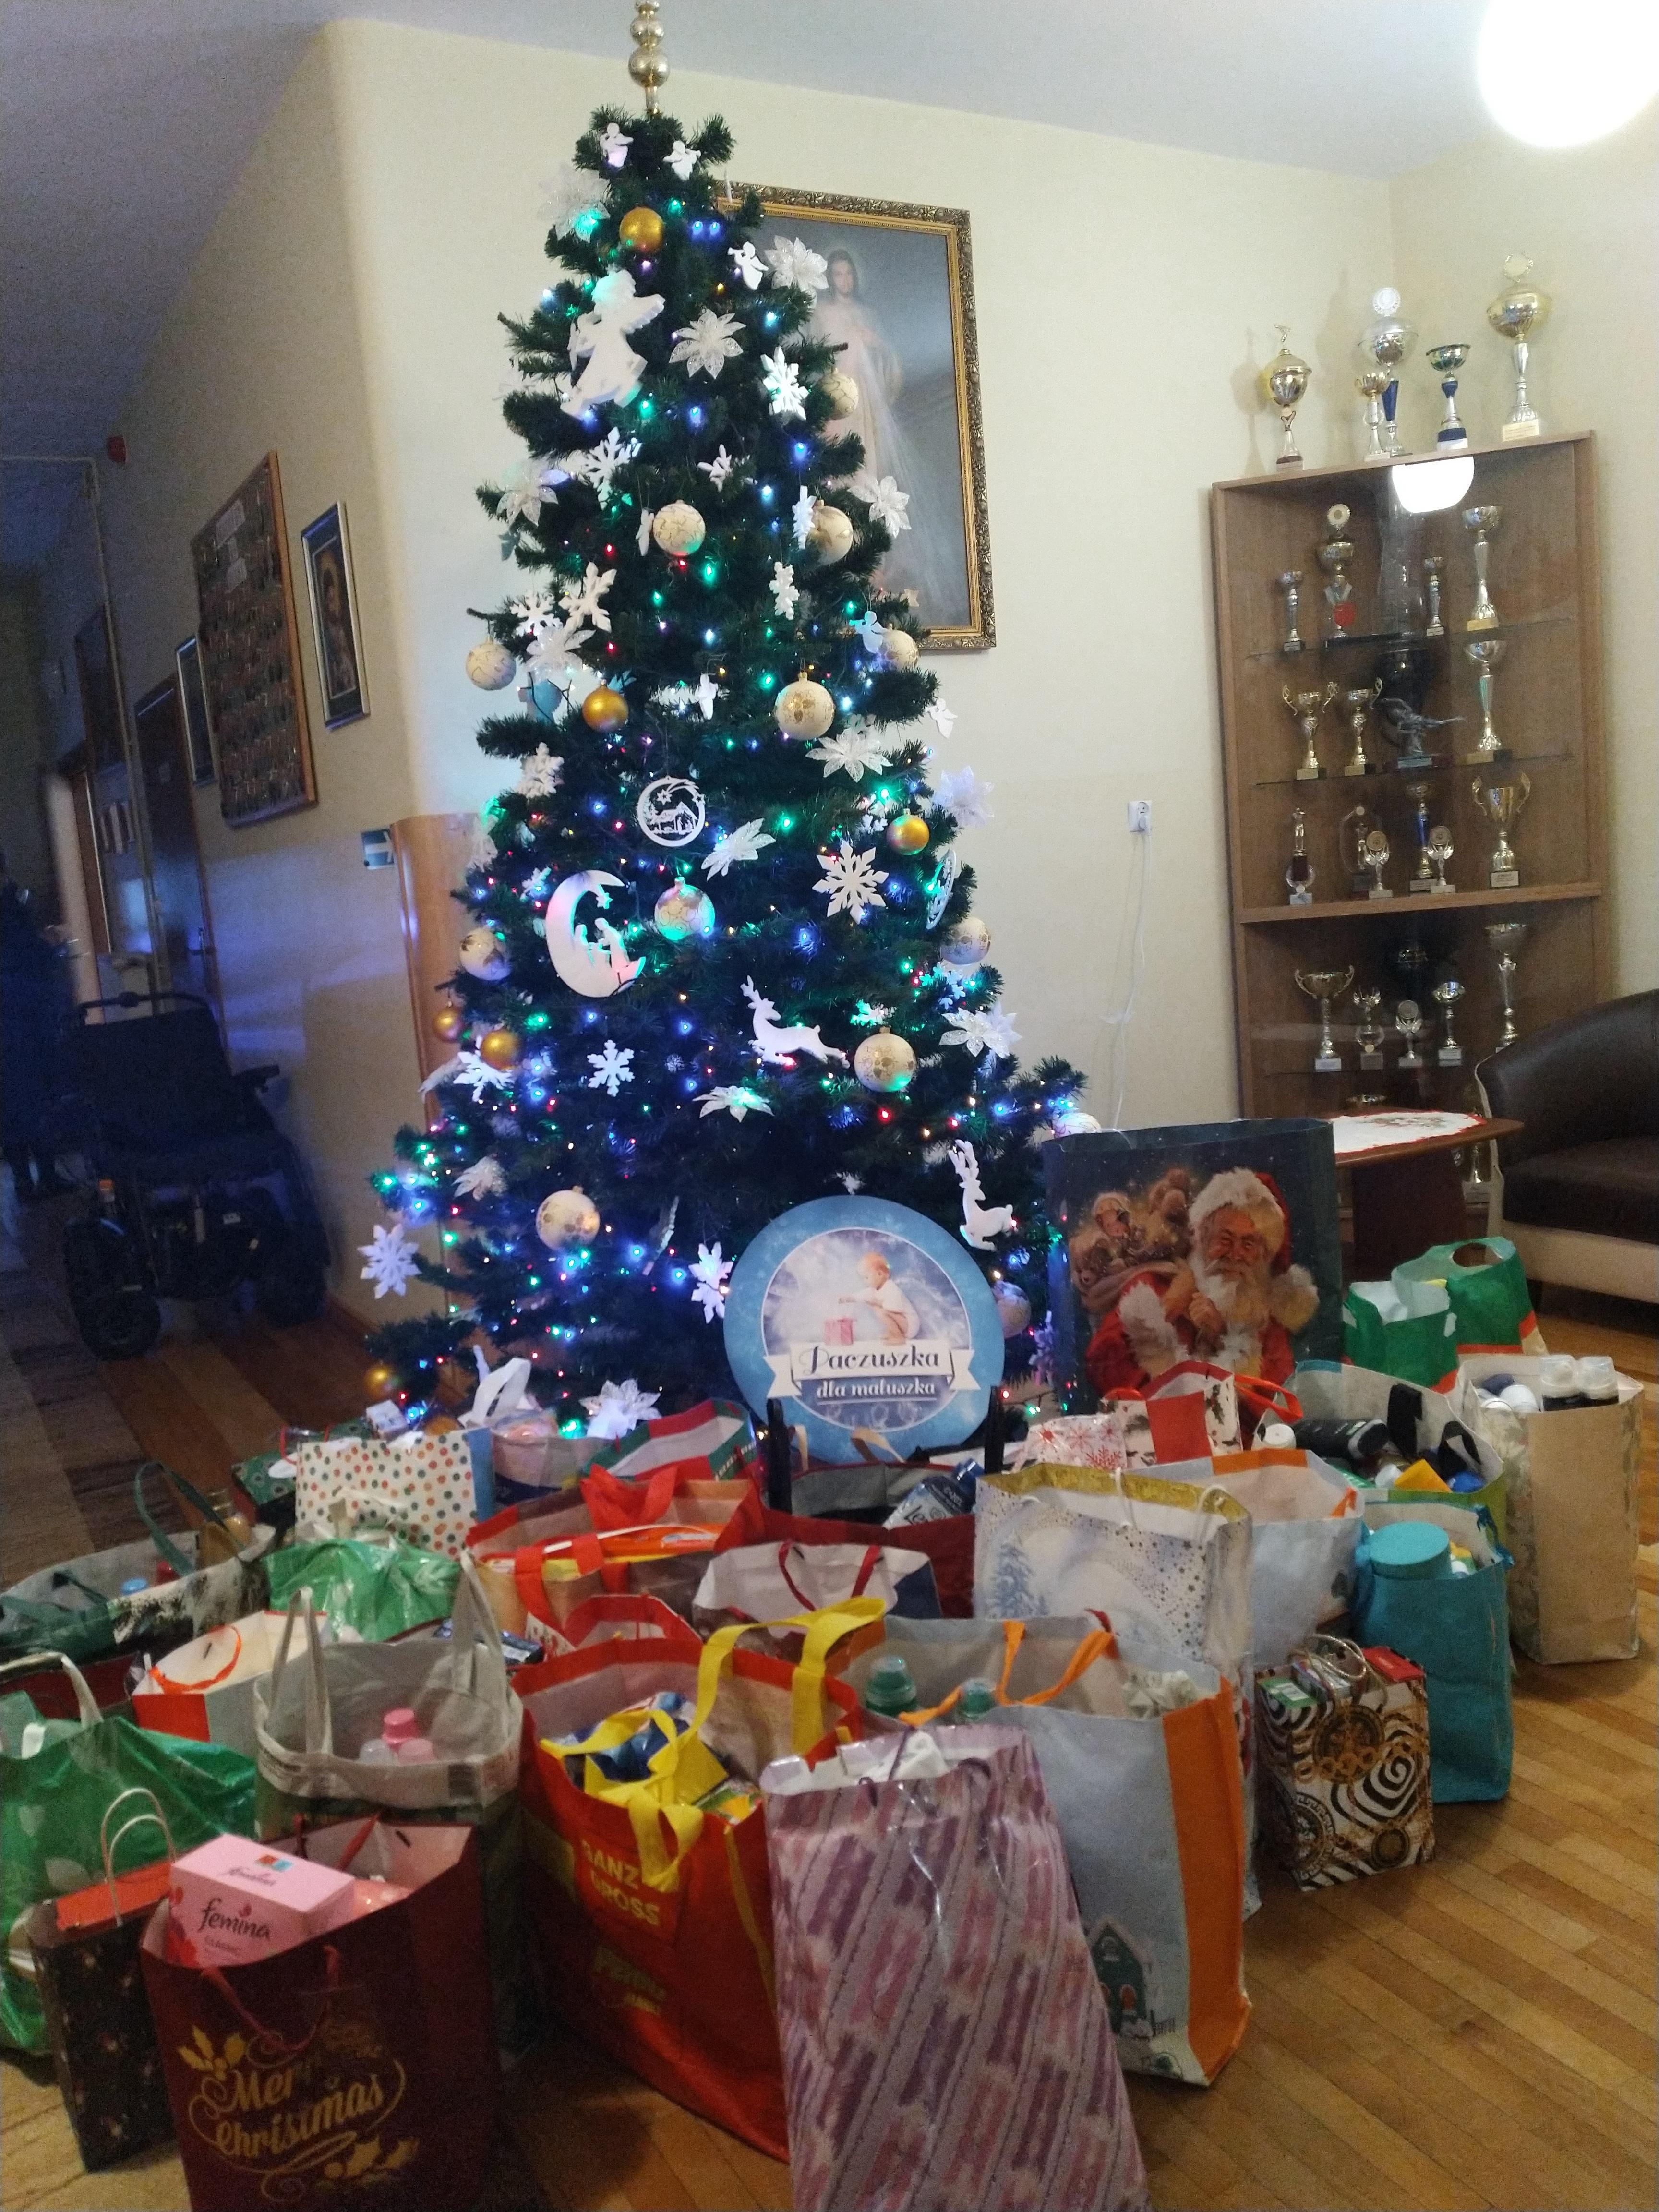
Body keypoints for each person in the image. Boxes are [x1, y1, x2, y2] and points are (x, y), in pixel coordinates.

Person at [1085, 1167, 1318, 1395]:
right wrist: (1167, 1309)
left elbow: (1280, 1392)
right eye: (1225, 1240)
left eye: (1248, 1244)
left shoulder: (1264, 1316)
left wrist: (1222, 1337)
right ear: (1202, 1237)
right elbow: (1101, 1365)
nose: (1236, 1255)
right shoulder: (1154, 1284)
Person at [840, 1249, 919, 1345]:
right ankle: (894, 1333)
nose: (865, 1281)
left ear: (880, 1274)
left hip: (910, 1325)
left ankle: (898, 1337)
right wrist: (849, 1298)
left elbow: (896, 1308)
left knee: (882, 1312)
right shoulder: (875, 1290)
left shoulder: (891, 1288)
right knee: (879, 1311)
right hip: (903, 1323)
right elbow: (863, 1295)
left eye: (867, 1277)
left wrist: (878, 1304)